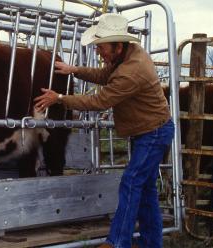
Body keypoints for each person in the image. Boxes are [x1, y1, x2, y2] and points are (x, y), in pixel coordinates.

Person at [34, 13, 174, 248]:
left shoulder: (132, 70)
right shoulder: (126, 56)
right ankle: (152, 244)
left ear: (118, 46)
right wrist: (74, 70)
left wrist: (59, 98)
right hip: (147, 131)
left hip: (154, 133)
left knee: (131, 182)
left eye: (101, 47)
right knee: (146, 191)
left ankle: (117, 242)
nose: (99, 52)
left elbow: (98, 102)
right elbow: (103, 75)